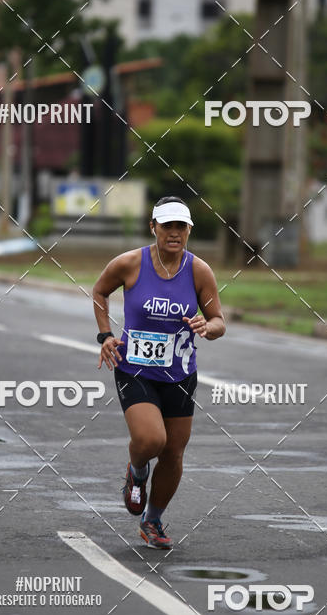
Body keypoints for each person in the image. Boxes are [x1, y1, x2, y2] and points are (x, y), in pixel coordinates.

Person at [92, 196, 226, 548]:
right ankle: (136, 471)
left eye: (181, 227)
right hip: (134, 368)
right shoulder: (130, 263)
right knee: (152, 440)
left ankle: (152, 520)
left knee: (173, 454)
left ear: (189, 231)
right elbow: (99, 292)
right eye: (167, 226)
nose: (174, 233)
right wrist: (105, 335)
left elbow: (218, 321)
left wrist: (207, 327)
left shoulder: (199, 271)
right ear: (153, 227)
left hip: (180, 374)